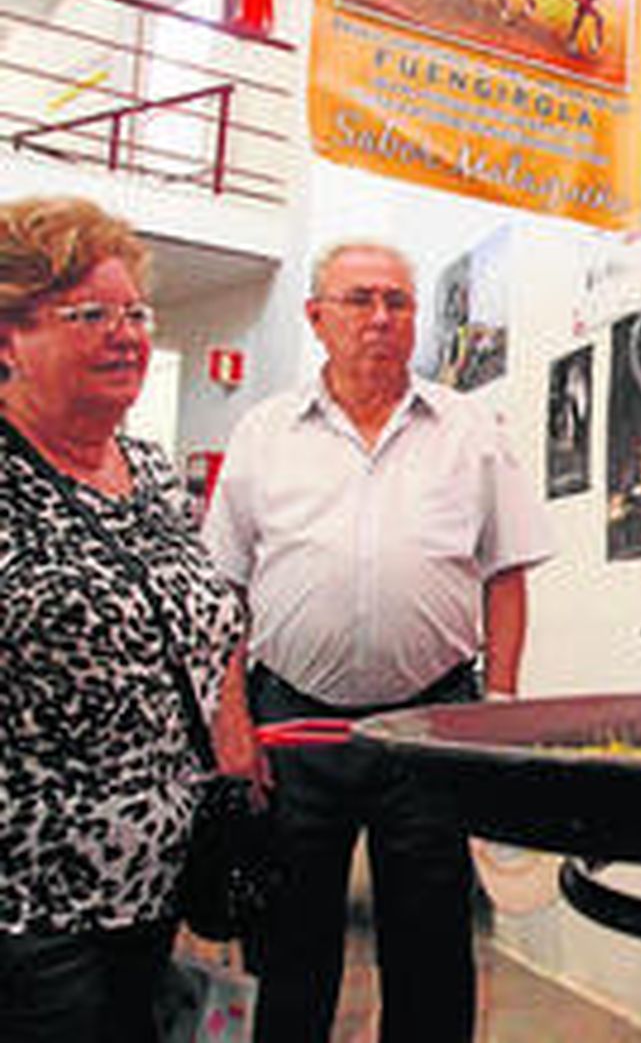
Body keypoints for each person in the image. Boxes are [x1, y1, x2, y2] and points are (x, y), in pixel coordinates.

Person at [203, 241, 553, 1043]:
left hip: (430, 730)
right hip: (293, 724)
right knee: (291, 954)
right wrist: (230, 718)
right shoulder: (264, 433)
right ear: (315, 315)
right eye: (359, 300)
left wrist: (497, 708)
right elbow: (221, 592)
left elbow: (507, 574)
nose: (382, 318)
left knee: (431, 952)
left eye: (398, 301)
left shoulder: (469, 429)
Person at [0, 196, 246, 1042]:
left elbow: (205, 612)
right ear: (8, 338)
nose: (127, 333)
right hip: (29, 903)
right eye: (90, 314)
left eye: (135, 312)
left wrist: (229, 720)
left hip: (156, 886)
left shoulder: (147, 469)